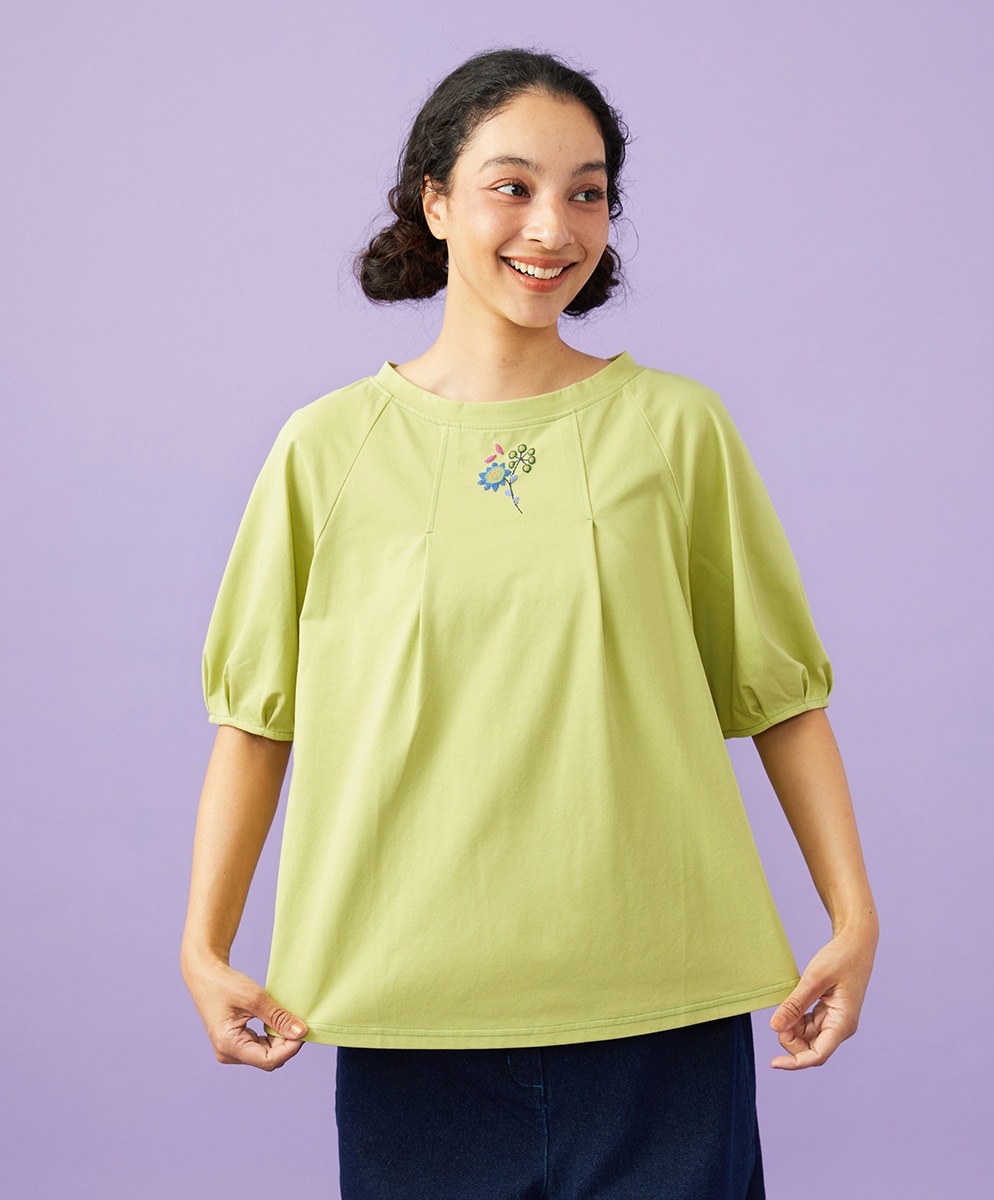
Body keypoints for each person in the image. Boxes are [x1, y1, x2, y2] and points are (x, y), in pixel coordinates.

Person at [181, 48, 878, 1199]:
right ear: (435, 202)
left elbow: (780, 696)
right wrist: (203, 947)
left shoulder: (677, 430)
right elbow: (258, 720)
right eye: (512, 186)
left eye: (586, 193)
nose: (553, 227)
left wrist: (853, 919)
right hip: (407, 1010)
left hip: (664, 1005)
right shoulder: (325, 449)